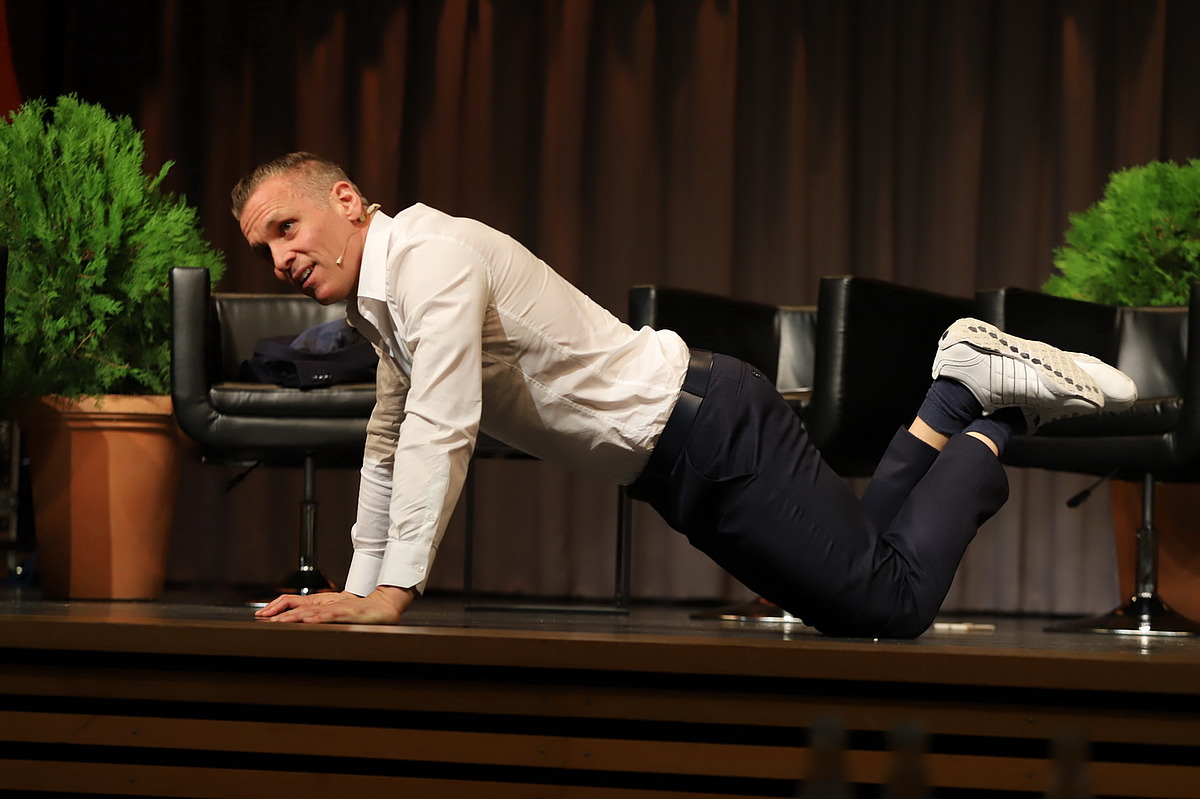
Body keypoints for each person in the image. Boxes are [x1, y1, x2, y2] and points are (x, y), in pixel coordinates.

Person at [234, 152, 1136, 637]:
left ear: (346, 199)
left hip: (708, 431)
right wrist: (358, 589)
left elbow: (442, 422)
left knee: (888, 607)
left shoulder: (431, 260)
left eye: (287, 227)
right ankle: (954, 397)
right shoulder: (382, 301)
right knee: (867, 573)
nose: (279, 258)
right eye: (263, 248)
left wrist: (392, 592)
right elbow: (389, 440)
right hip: (682, 459)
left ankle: (995, 414)